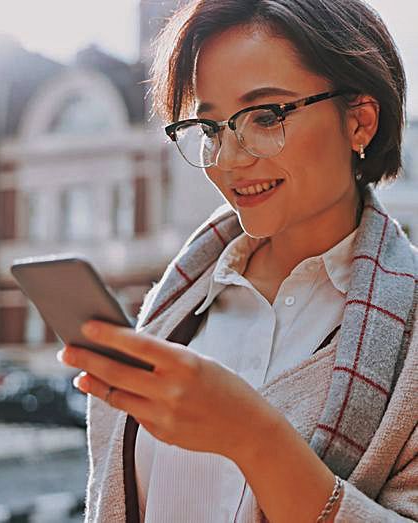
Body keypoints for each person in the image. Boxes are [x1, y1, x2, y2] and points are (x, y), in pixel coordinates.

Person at [60, 0, 418, 521]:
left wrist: (254, 437)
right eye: (210, 129)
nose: (230, 159)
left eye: (267, 116)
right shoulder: (177, 307)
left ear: (360, 121)